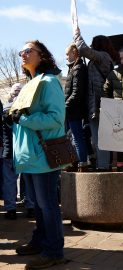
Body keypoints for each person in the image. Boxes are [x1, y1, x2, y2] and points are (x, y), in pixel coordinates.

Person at [12, 40, 66, 269]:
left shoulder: (49, 82)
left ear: (41, 55)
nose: (22, 55)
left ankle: (53, 251)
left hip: (43, 155)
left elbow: (55, 118)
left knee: (48, 205)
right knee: (40, 205)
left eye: (28, 51)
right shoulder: (30, 83)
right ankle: (40, 241)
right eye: (21, 52)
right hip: (31, 157)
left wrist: (22, 118)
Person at [73, 27, 118, 171]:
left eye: (93, 43)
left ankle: (103, 167)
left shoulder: (103, 56)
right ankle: (103, 164)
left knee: (100, 138)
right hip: (98, 102)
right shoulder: (106, 58)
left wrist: (77, 34)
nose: (91, 46)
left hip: (99, 103)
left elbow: (83, 49)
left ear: (98, 45)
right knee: (98, 137)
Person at [2, 83, 35, 220]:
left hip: (9, 151)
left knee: (9, 181)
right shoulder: (26, 110)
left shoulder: (4, 110)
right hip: (24, 151)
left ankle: (11, 209)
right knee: (28, 180)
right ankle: (31, 207)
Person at [64, 43, 88, 172]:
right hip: (72, 109)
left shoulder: (78, 68)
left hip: (75, 109)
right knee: (73, 137)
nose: (66, 56)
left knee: (77, 137)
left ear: (74, 53)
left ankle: (82, 163)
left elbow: (76, 92)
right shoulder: (74, 68)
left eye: (68, 54)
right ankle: (77, 162)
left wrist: (64, 106)